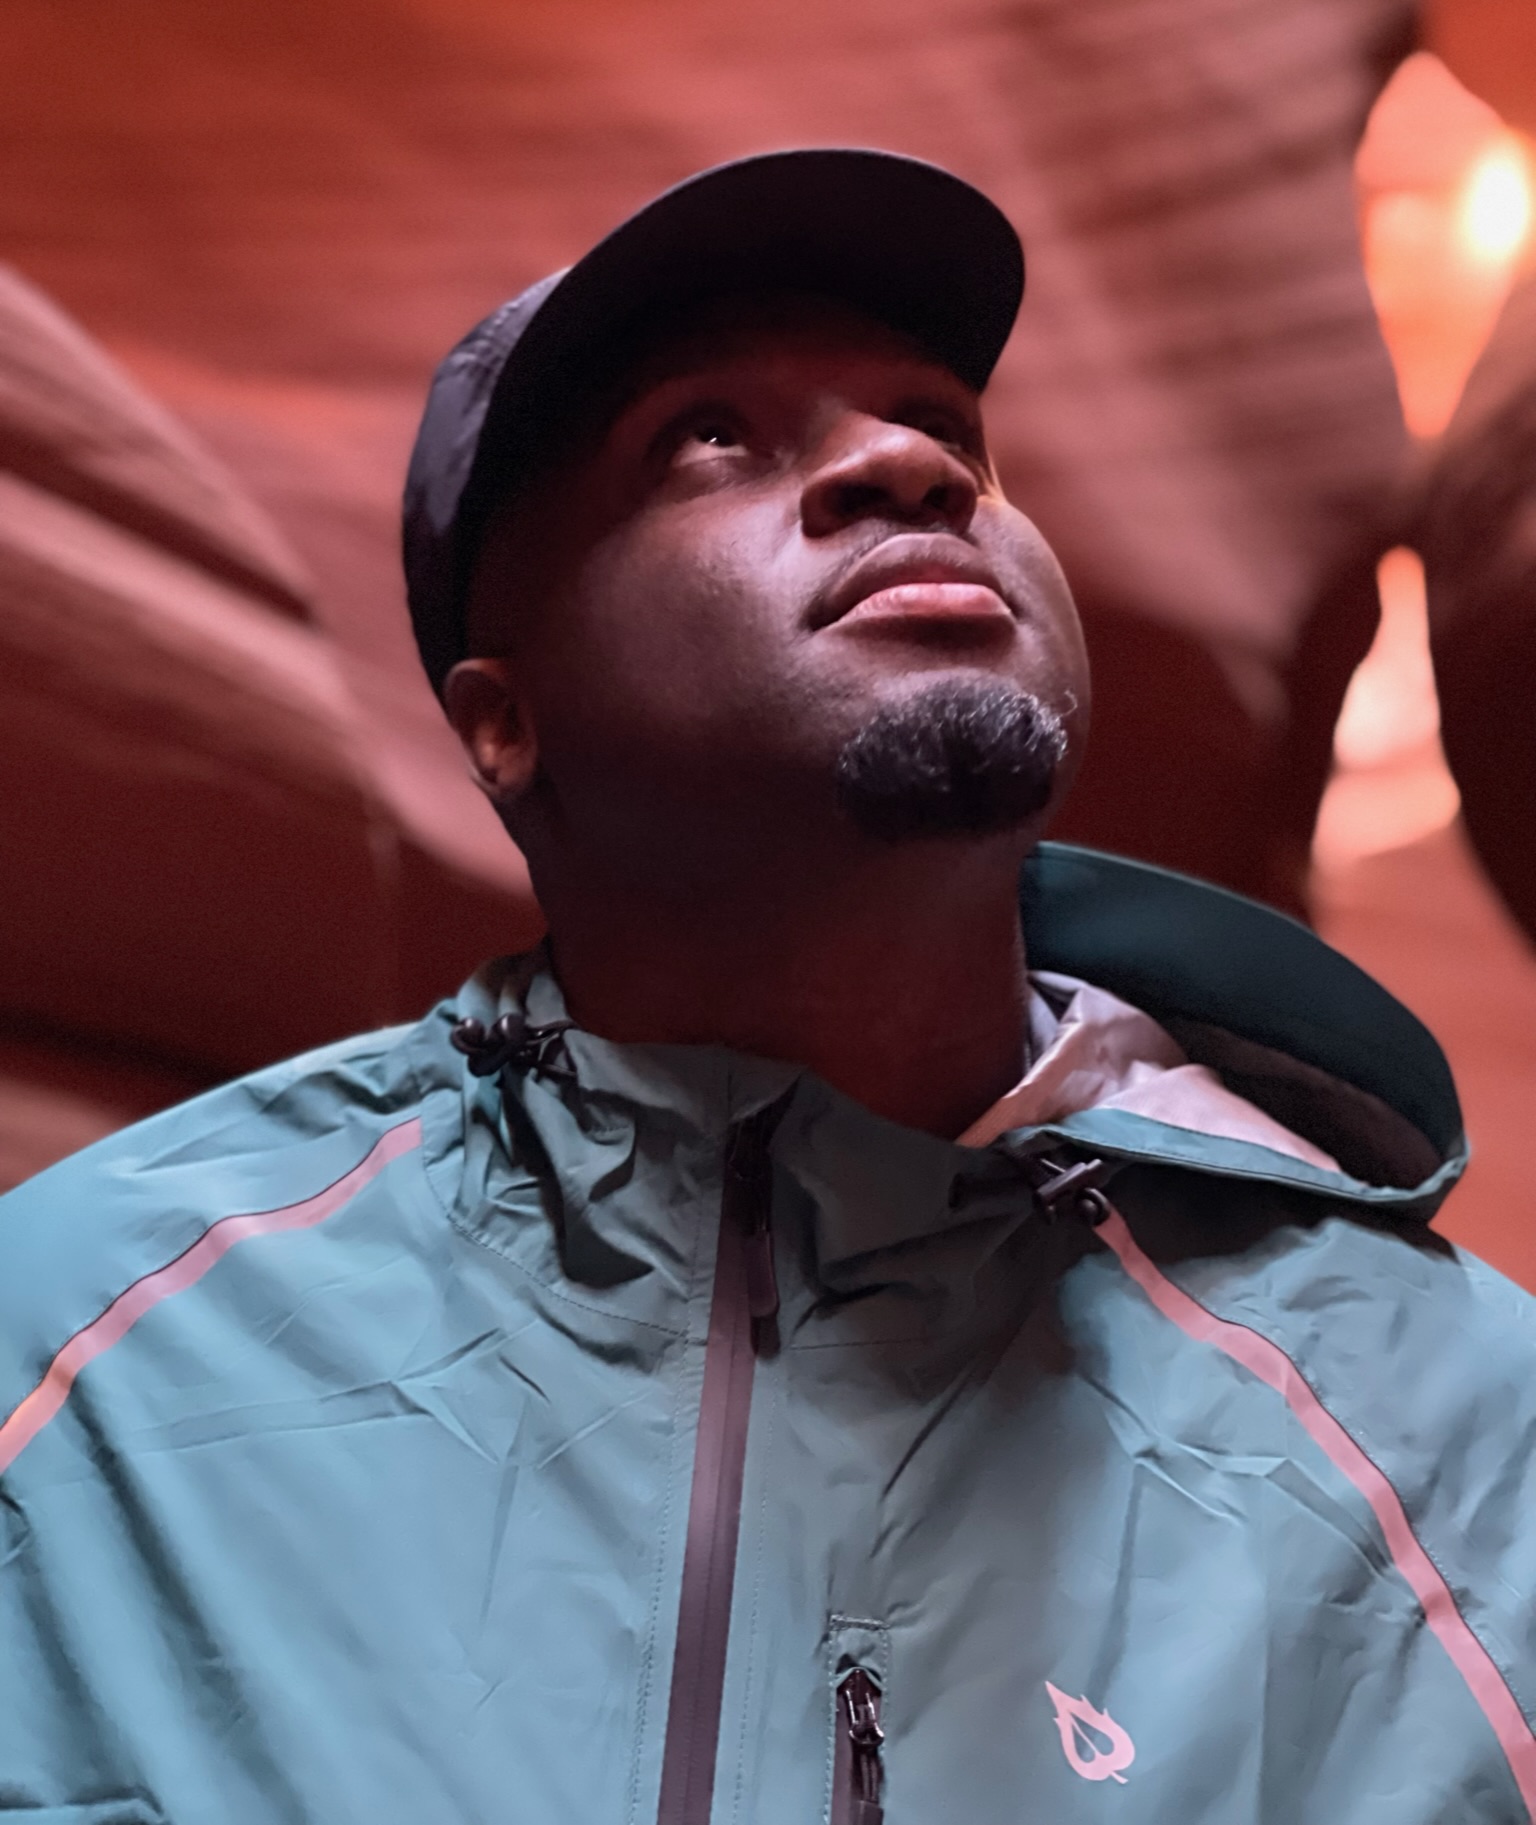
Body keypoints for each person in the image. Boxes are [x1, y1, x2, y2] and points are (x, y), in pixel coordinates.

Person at [1, 150, 1532, 1825]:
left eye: (946, 425)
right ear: (504, 723)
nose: (909, 465)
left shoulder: (1458, 1428)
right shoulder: (82, 1353)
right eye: (706, 440)